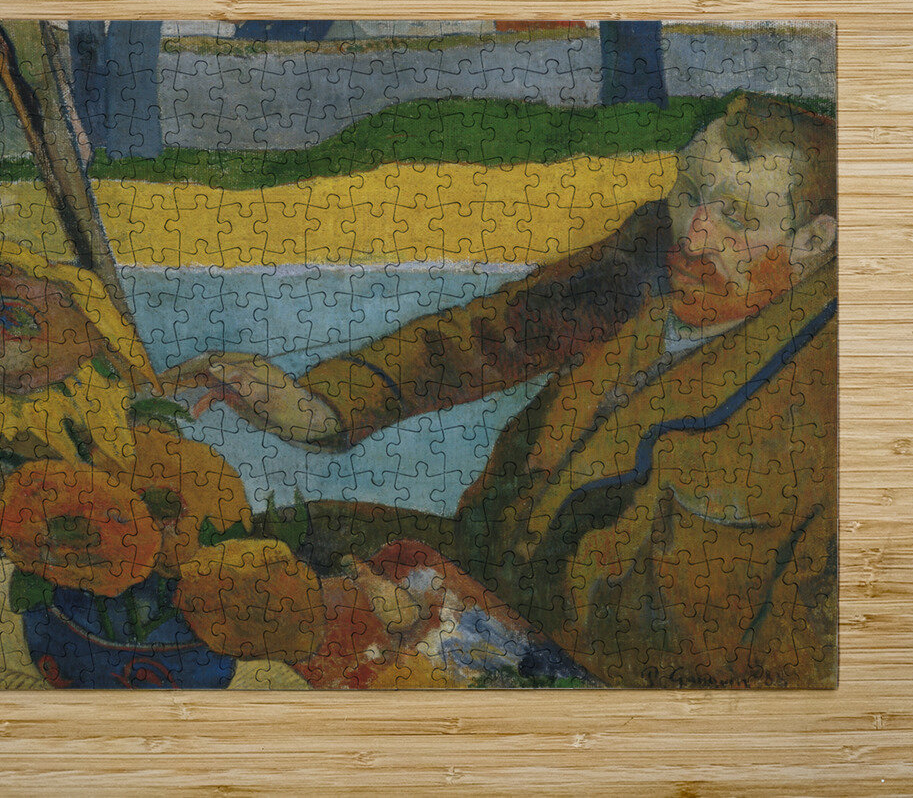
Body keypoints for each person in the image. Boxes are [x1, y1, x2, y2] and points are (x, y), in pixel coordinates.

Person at [164, 93, 839, 688]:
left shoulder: (834, 397)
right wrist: (318, 408)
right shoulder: (653, 256)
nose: (693, 235)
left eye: (738, 217)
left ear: (814, 241)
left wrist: (439, 636)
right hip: (485, 576)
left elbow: (773, 679)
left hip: (591, 682)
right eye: (689, 191)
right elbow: (501, 331)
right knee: (251, 550)